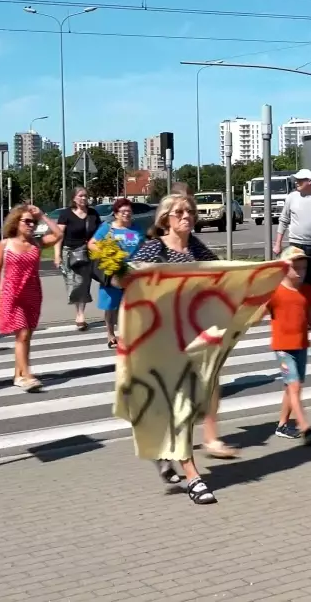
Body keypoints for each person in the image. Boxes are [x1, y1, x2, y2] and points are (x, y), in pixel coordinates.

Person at [128, 193, 224, 500]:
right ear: (165, 218)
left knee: (185, 405)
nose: (187, 216)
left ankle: (163, 452)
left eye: (190, 211)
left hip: (192, 335)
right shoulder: (156, 248)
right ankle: (193, 476)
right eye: (180, 212)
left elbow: (224, 274)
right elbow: (129, 279)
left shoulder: (196, 247)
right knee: (180, 407)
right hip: (161, 337)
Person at [0, 204, 63, 392]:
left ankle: (18, 375)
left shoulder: (36, 243)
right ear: (17, 222)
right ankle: (28, 375)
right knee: (22, 334)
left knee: (26, 337)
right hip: (12, 294)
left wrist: (43, 214)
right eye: (27, 221)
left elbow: (58, 235)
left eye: (33, 222)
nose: (31, 225)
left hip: (32, 293)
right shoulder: (5, 244)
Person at [268, 246, 311, 444]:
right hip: (283, 348)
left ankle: (282, 425)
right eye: (296, 268)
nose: (300, 272)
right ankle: (304, 427)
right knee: (294, 386)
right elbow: (255, 310)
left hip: (301, 345)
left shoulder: (306, 291)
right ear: (284, 268)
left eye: (303, 268)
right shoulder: (274, 292)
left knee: (291, 388)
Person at [90, 198, 143, 351]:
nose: (127, 214)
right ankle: (110, 334)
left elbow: (144, 246)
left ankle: (126, 334)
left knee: (129, 305)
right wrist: (107, 255)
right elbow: (92, 244)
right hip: (112, 272)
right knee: (111, 305)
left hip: (132, 272)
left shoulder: (136, 229)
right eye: (123, 211)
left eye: (129, 211)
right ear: (115, 214)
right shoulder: (107, 228)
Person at [275, 168, 311, 289]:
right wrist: (277, 243)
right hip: (296, 245)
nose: (296, 182)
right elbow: (283, 220)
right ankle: (295, 305)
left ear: (309, 182)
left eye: (300, 180)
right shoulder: (291, 197)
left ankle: (309, 307)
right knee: (294, 279)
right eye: (296, 180)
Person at [56, 187, 100, 332]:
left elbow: (99, 233)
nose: (83, 198)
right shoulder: (66, 214)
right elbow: (58, 235)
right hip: (69, 252)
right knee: (74, 283)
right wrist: (57, 255)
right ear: (74, 198)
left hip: (87, 252)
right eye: (80, 196)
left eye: (85, 196)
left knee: (84, 283)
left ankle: (80, 315)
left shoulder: (93, 214)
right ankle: (79, 313)